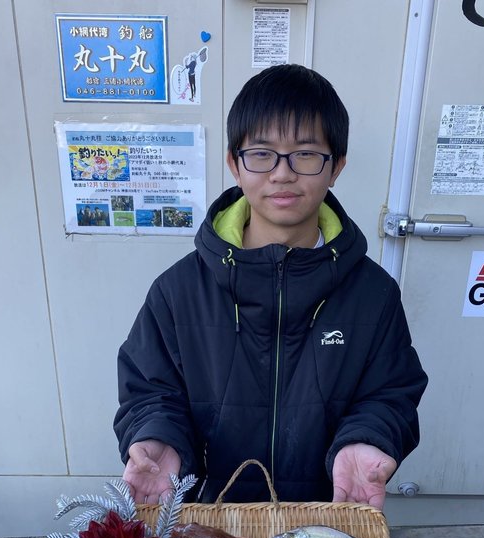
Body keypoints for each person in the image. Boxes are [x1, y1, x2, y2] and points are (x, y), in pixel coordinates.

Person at [114, 64, 427, 509]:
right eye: (261, 153)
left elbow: (390, 392)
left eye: (305, 154)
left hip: (329, 516)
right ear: (234, 165)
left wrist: (368, 439)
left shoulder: (373, 294)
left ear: (336, 166)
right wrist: (158, 437)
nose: (282, 173)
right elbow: (149, 390)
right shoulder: (177, 291)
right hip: (208, 524)